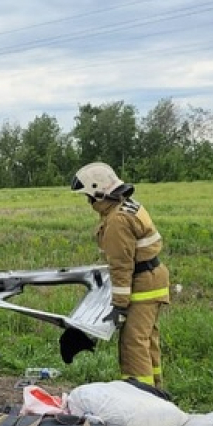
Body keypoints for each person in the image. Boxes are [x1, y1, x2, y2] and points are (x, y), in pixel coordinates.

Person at [70, 162, 170, 388]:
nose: (89, 202)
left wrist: (120, 306)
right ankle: (157, 390)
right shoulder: (128, 206)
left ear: (99, 192)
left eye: (89, 197)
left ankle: (141, 395)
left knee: (133, 344)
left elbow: (121, 266)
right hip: (154, 279)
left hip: (143, 286)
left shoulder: (117, 220)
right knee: (146, 341)